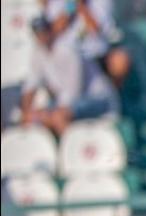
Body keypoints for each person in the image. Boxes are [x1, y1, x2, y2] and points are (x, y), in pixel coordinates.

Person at [21, 2, 120, 136]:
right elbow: (31, 84)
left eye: (44, 31)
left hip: (98, 99)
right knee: (33, 118)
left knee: (58, 116)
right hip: (70, 100)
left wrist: (47, 113)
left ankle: (72, 152)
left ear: (50, 30)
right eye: (38, 34)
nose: (42, 37)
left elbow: (73, 93)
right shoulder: (38, 53)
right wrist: (26, 111)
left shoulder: (67, 50)